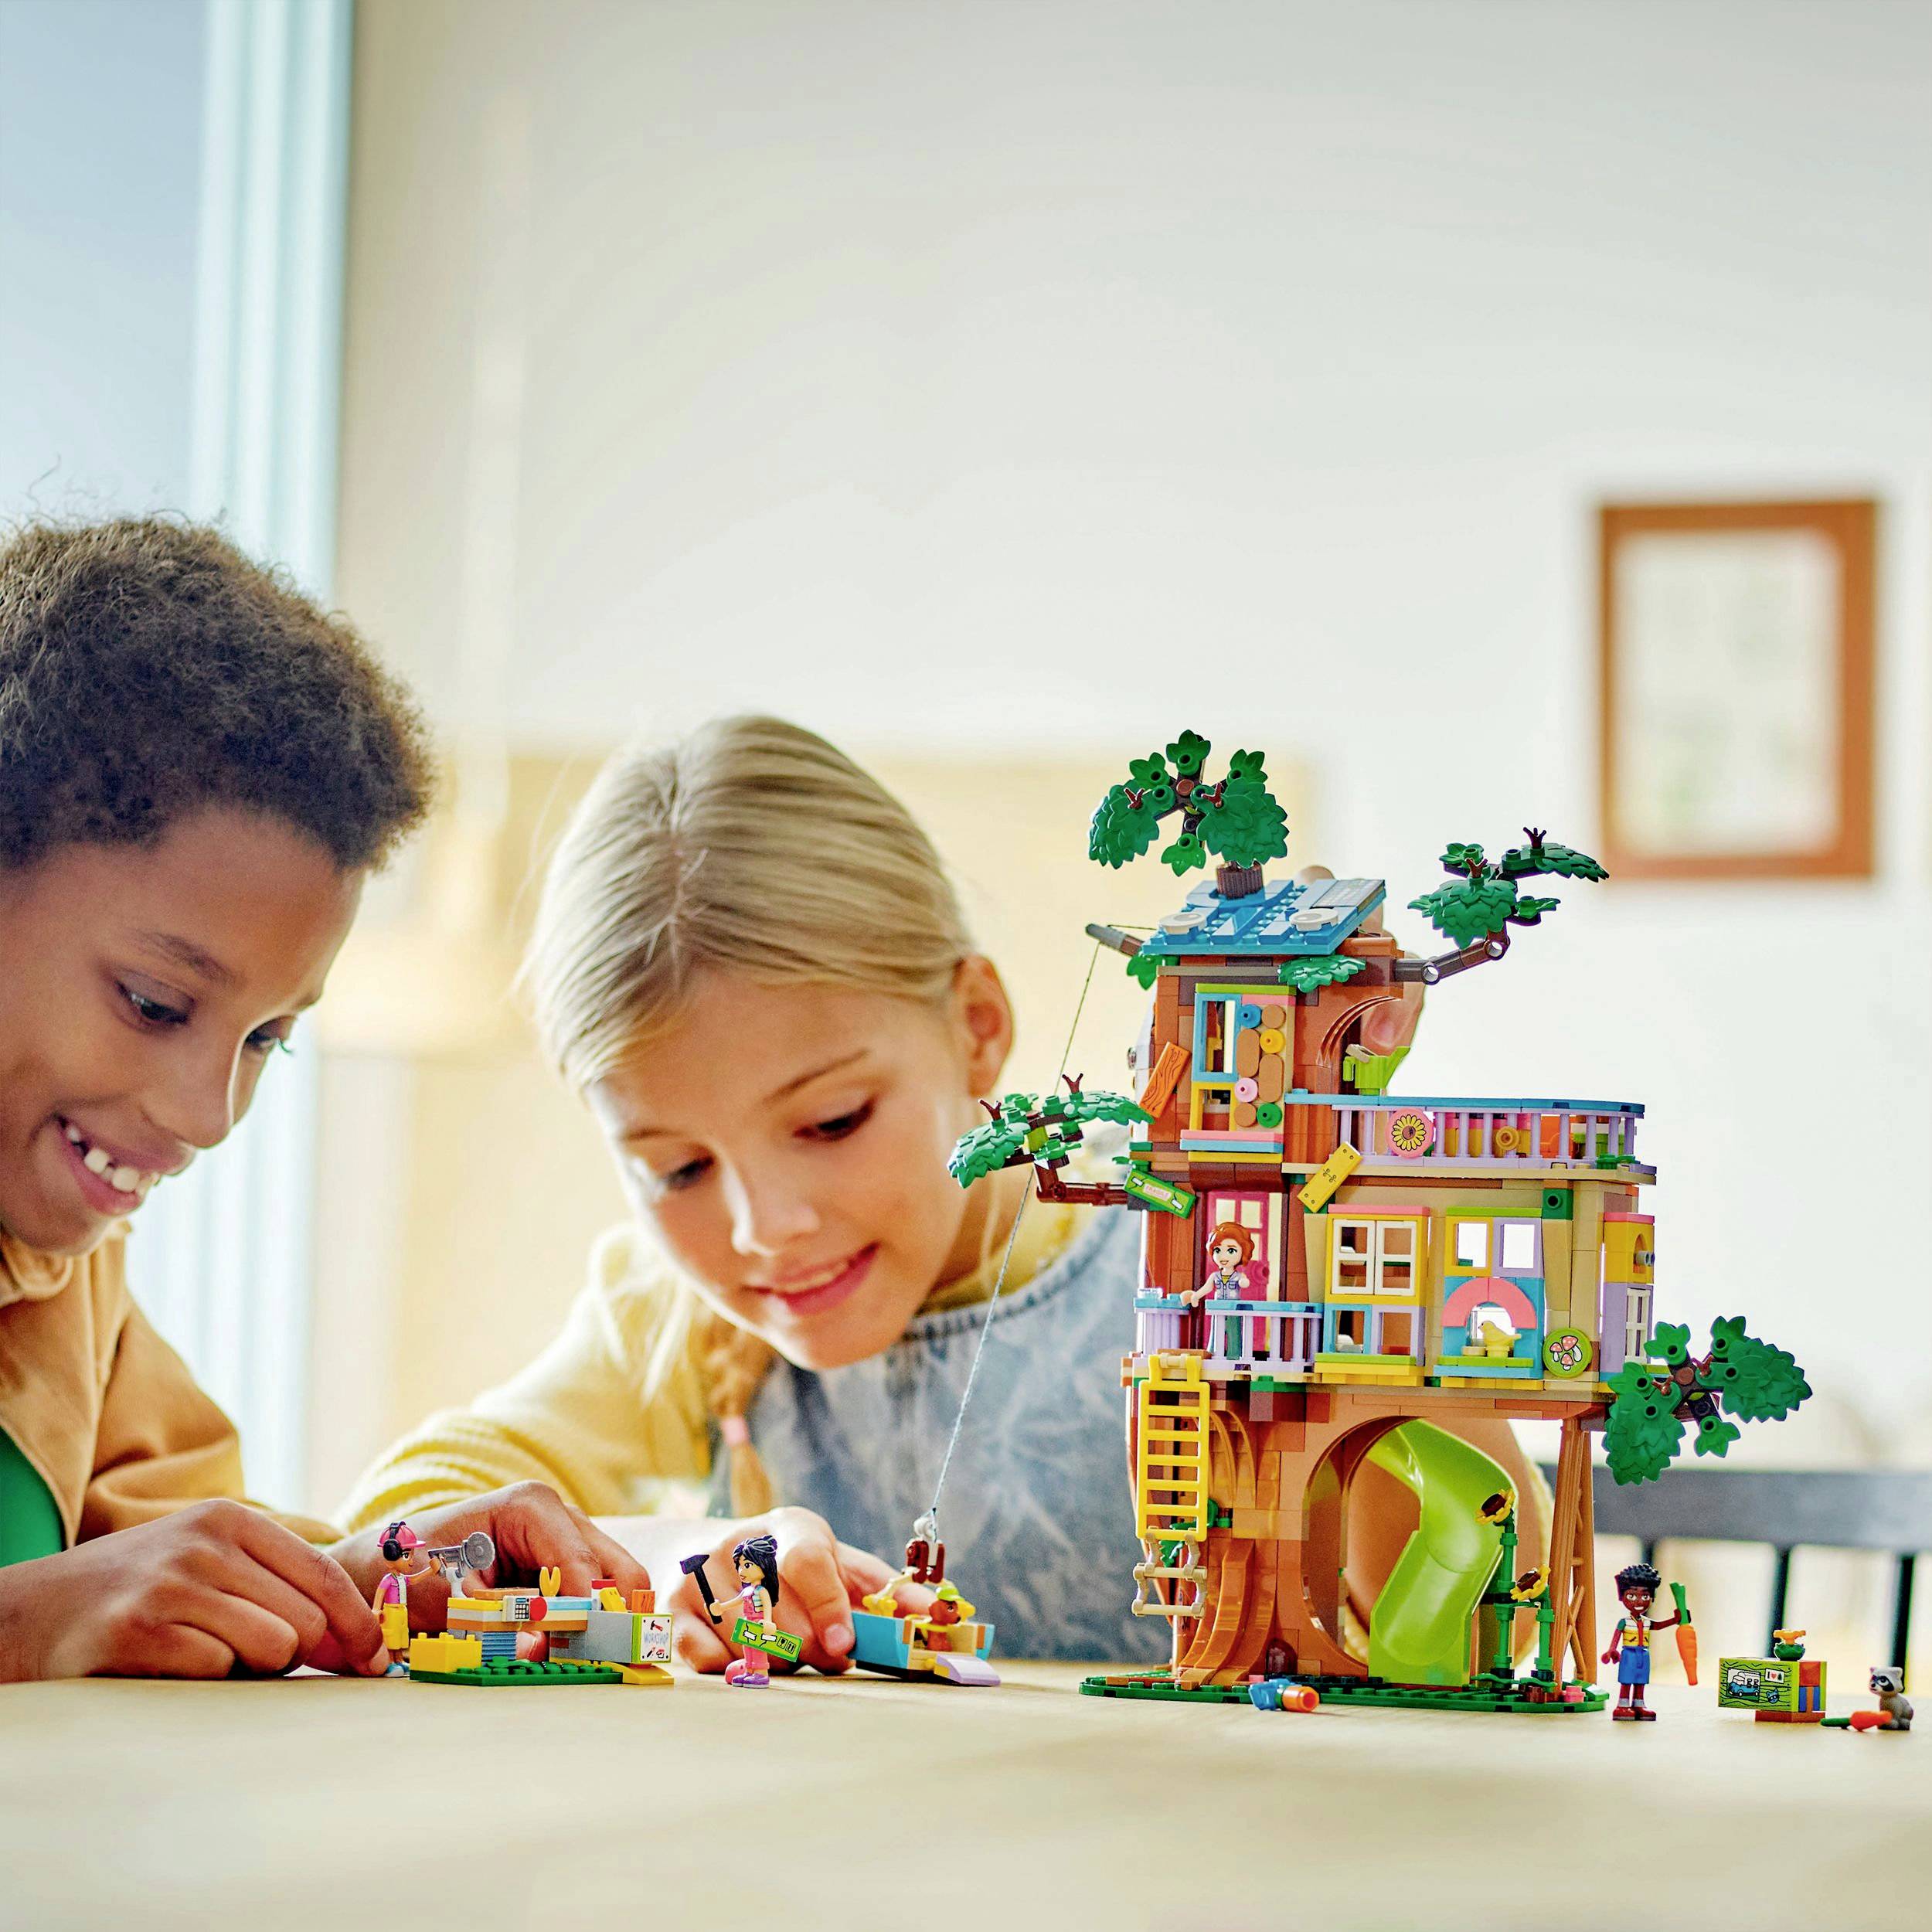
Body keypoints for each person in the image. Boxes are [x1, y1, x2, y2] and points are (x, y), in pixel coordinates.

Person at [345, 714, 1543, 1670]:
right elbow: (412, 1513)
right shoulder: (676, 1320)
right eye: (677, 1168)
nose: (767, 1230)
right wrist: (691, 1555)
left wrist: (1335, 1229)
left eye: (830, 1121)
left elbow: (1482, 1592)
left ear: (976, 1029)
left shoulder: (1196, 1263)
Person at [0, 518, 651, 1683]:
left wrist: (375, 1574)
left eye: (268, 1041)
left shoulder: (62, 1276)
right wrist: (22, 1624)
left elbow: (166, 1561)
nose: (207, 1115)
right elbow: (66, 1606)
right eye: (155, 1003)